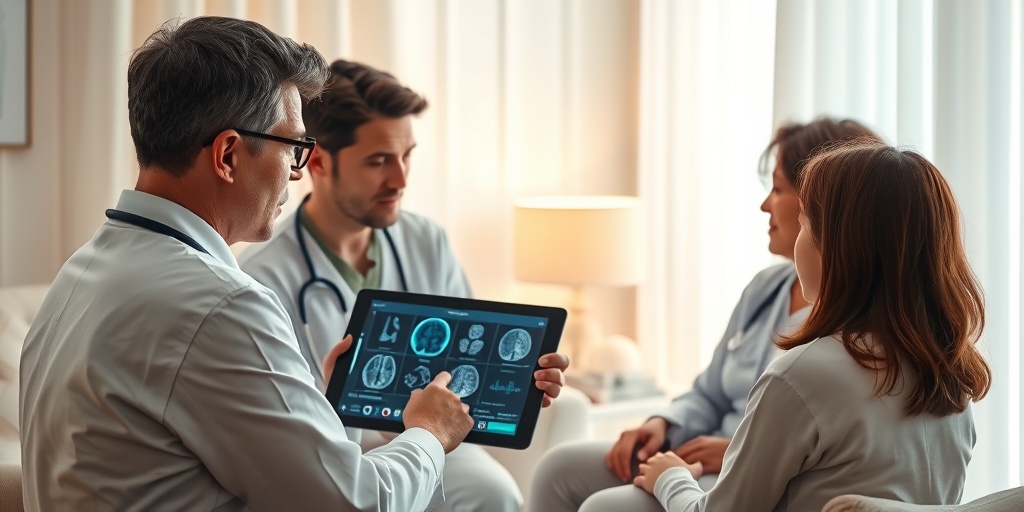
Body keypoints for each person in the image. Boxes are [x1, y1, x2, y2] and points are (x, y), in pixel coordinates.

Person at [18, 17, 564, 512]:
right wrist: (428, 432)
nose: (297, 173)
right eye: (293, 148)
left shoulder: (85, 272)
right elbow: (354, 505)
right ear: (228, 155)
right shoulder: (220, 304)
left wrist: (328, 407)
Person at [237, 59, 569, 512]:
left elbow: (467, 366)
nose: (400, 180)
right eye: (378, 161)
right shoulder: (263, 277)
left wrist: (516, 384)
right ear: (318, 162)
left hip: (434, 442)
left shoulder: (425, 241)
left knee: (493, 491)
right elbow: (287, 437)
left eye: (406, 155)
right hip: (335, 457)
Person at [529, 117, 880, 512]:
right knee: (558, 468)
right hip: (702, 455)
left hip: (748, 471)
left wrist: (731, 450)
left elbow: (818, 450)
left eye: (778, 188)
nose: (765, 204)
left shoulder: (845, 335)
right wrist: (663, 424)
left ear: (821, 203)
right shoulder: (765, 289)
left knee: (608, 506)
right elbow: (710, 391)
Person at [633, 141, 991, 510]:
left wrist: (670, 477)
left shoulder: (799, 378)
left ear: (838, 245)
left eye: (804, 221)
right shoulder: (952, 380)